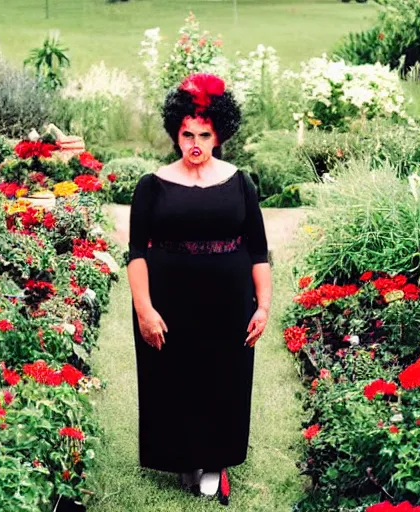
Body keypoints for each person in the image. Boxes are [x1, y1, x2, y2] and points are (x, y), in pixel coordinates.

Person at [126, 73, 272, 505]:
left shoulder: (240, 182)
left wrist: (262, 306)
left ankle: (214, 462)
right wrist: (144, 309)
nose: (195, 142)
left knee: (221, 378)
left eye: (204, 135)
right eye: (187, 133)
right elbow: (136, 253)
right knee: (175, 378)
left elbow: (259, 251)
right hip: (169, 301)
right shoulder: (151, 186)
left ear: (218, 135)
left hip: (227, 302)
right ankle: (186, 459)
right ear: (176, 133)